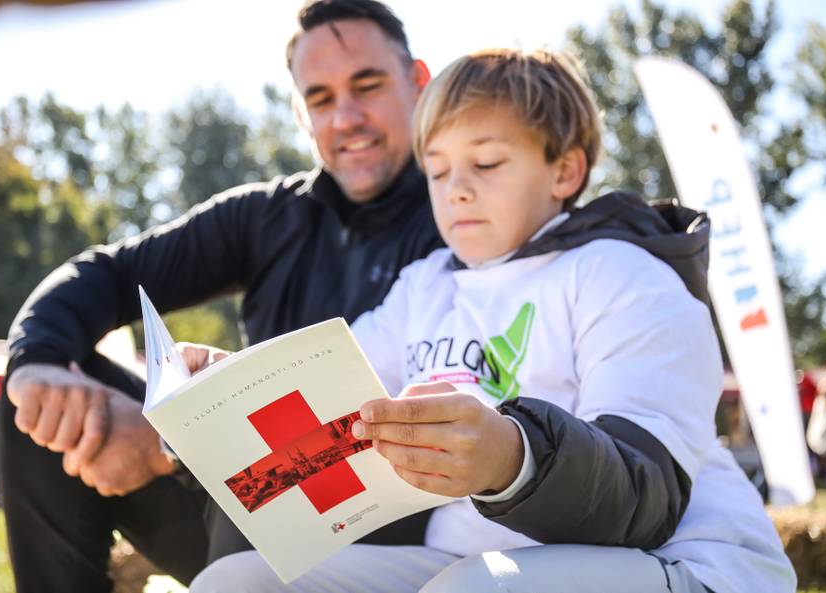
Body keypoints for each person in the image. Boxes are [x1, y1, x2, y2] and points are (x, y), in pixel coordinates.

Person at [190, 48, 795, 593]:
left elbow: (644, 492)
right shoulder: (425, 285)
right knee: (237, 581)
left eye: (485, 163)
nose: (455, 190)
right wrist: (234, 388)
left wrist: (514, 457)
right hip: (465, 562)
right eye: (437, 169)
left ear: (565, 171)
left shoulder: (622, 273)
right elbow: (331, 389)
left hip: (678, 561)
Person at [0, 1, 443, 591]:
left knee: (262, 518)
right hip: (238, 512)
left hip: (394, 531)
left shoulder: (468, 215)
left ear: (418, 83)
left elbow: (403, 430)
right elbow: (105, 273)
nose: (347, 117)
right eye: (321, 98)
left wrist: (166, 447)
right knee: (53, 400)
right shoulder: (265, 218)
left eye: (368, 85)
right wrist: (33, 368)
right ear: (300, 112)